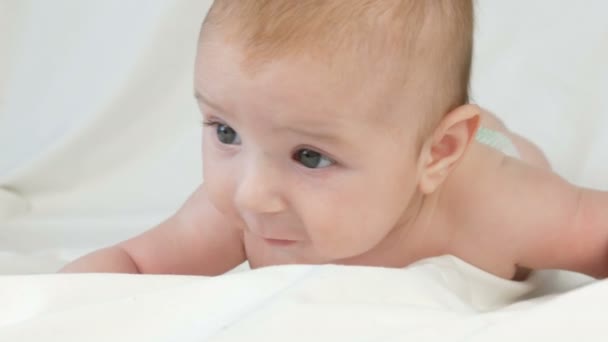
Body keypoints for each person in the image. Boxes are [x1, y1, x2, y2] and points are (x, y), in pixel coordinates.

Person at [61, 0, 608, 281]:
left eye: (310, 156)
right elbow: (131, 264)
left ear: (438, 154)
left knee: (516, 152)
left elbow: (594, 229)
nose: (252, 194)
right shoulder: (238, 213)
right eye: (225, 131)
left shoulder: (496, 211)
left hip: (491, 150)